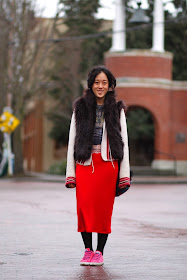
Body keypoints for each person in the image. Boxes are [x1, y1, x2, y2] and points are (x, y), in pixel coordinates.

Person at [65, 65, 130, 266]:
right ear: (91, 85)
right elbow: (72, 140)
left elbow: (124, 142)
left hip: (107, 166)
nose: (100, 86)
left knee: (103, 210)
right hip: (84, 164)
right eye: (97, 82)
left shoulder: (117, 109)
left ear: (110, 86)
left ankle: (99, 252)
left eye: (104, 82)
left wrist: (124, 174)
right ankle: (87, 250)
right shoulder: (80, 108)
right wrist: (70, 173)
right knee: (84, 208)